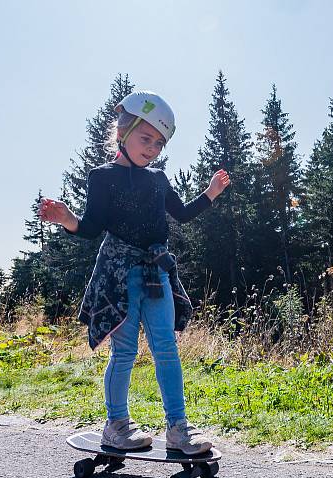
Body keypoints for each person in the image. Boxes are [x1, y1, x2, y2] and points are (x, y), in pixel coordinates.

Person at [39, 91, 230, 454]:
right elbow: (92, 227)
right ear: (122, 132)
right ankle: (116, 426)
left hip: (157, 272)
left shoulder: (158, 179)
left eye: (159, 143)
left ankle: (178, 429)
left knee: (167, 349)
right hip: (118, 273)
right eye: (146, 139)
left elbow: (183, 214)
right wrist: (66, 219)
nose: (153, 149)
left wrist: (209, 193)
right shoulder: (101, 177)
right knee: (124, 352)